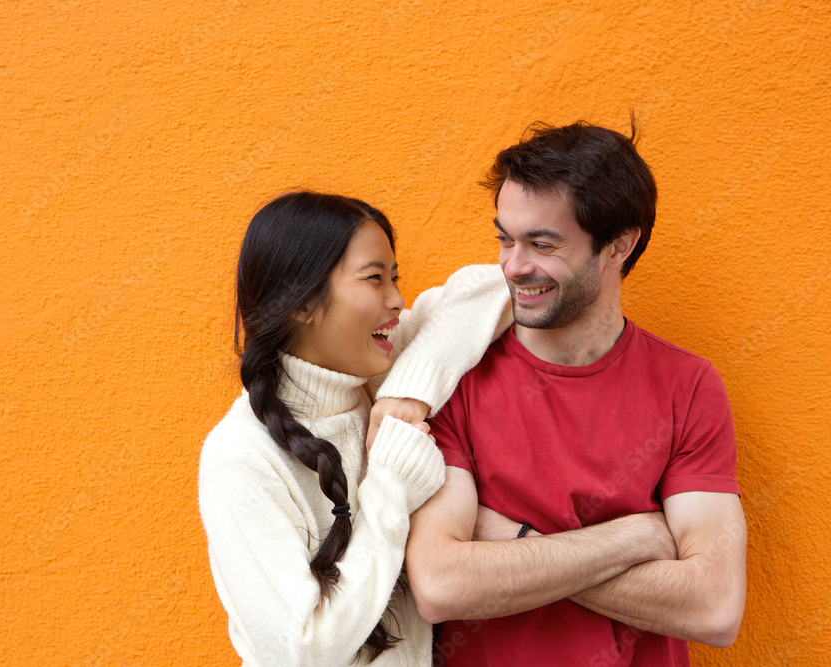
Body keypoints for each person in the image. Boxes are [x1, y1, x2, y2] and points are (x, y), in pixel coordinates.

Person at [402, 121, 747, 666]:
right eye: (505, 239)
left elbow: (714, 606)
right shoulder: (454, 378)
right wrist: (631, 538)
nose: (513, 266)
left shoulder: (688, 386)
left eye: (542, 244)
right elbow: (441, 585)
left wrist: (501, 538)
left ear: (619, 245)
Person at [198, 191, 510, 666]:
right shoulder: (241, 456)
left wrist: (408, 391)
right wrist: (390, 488)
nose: (398, 299)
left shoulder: (381, 371)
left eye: (395, 277)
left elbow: (500, 286)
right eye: (374, 279)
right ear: (302, 301)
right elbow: (303, 649)